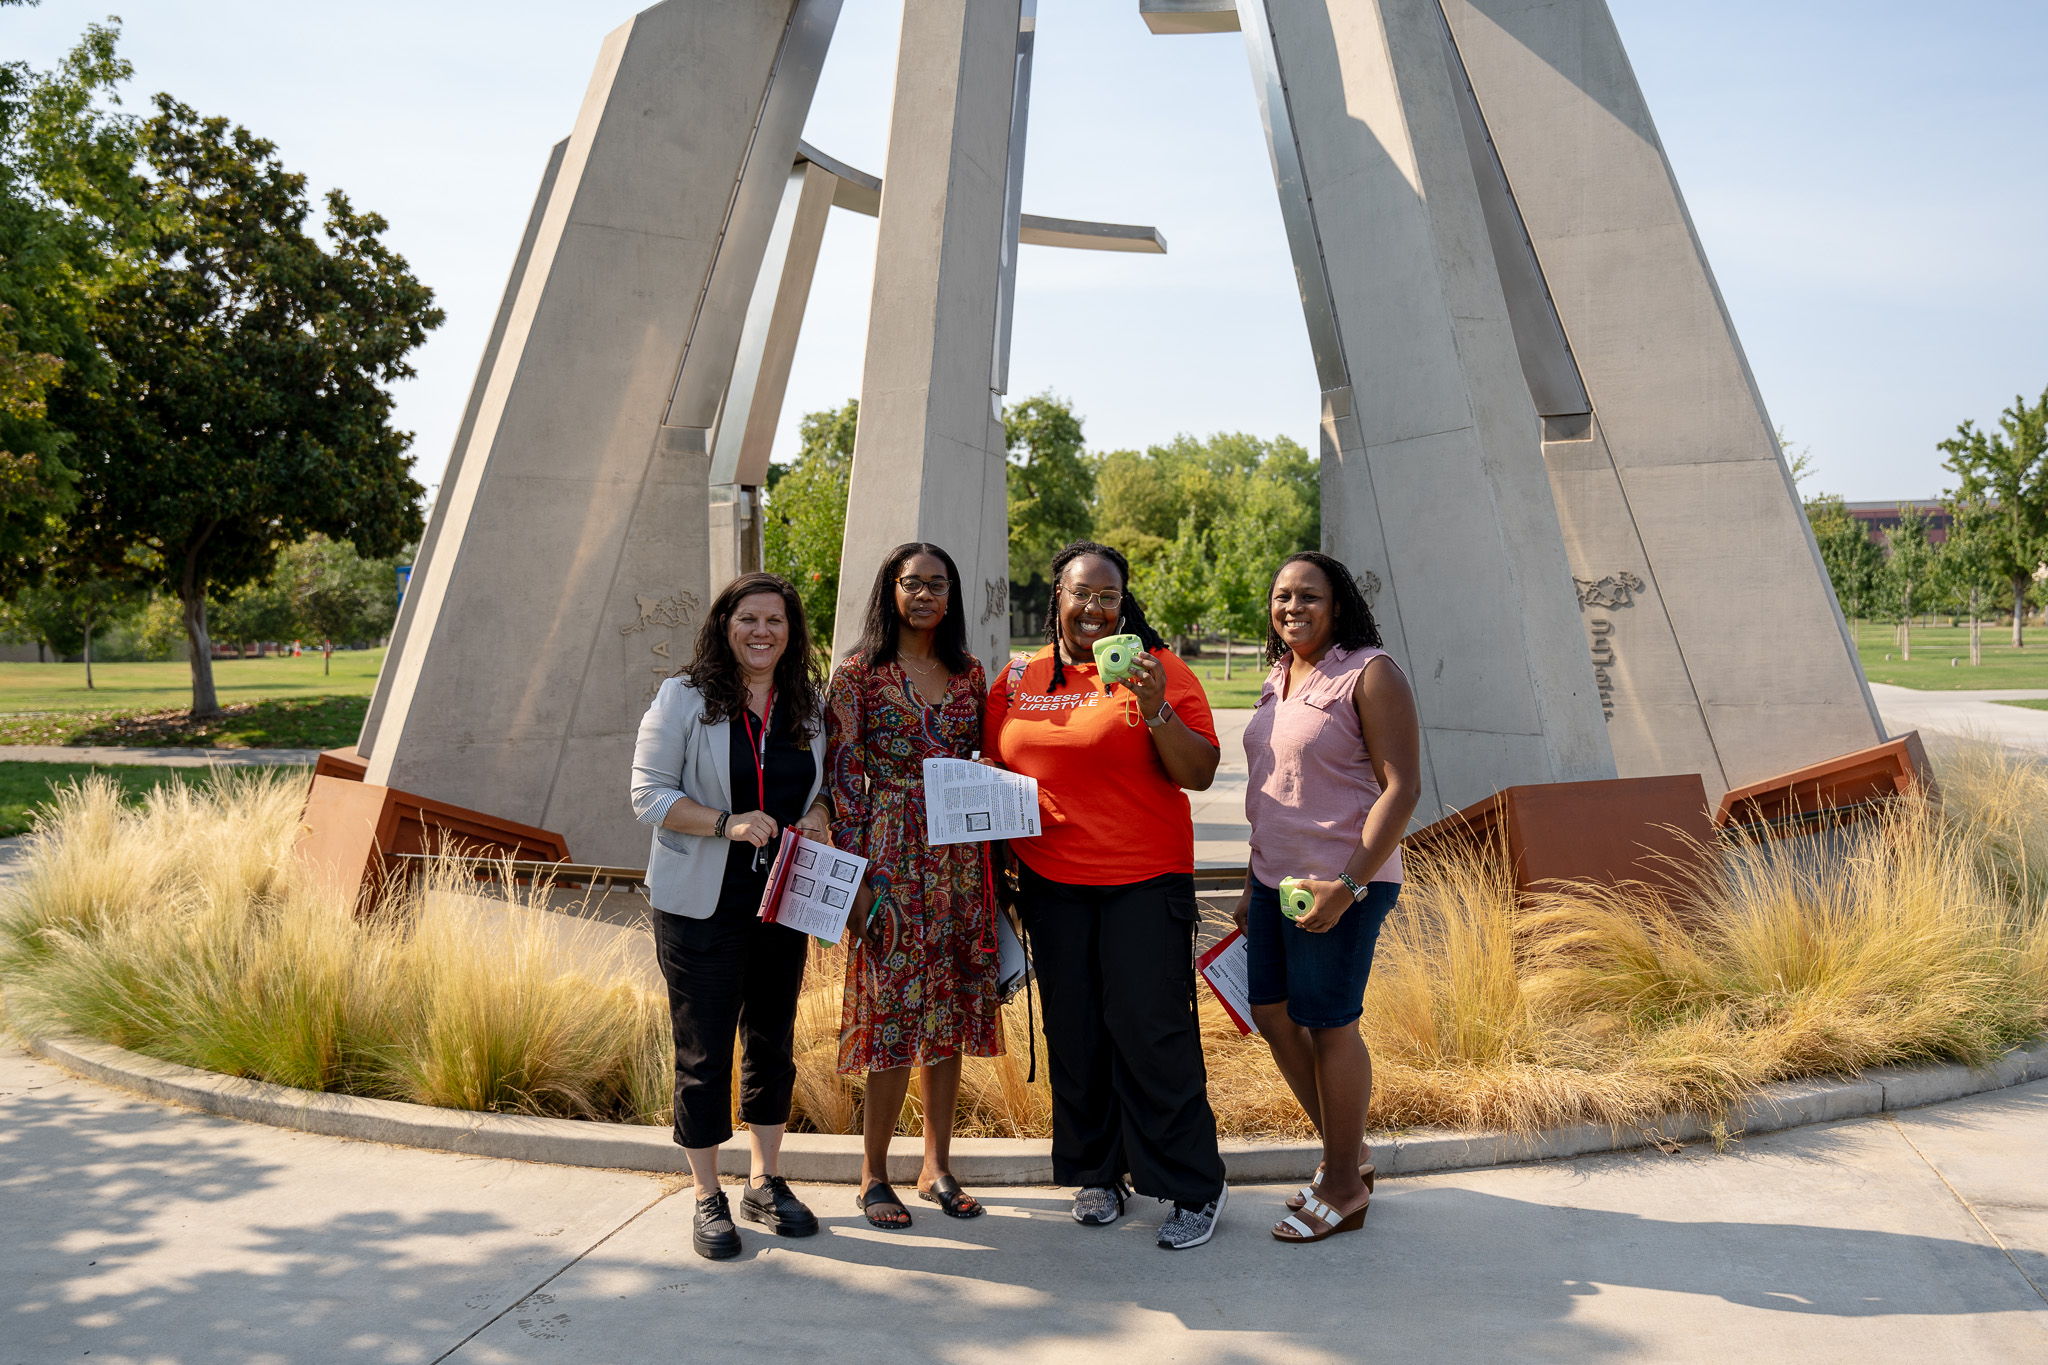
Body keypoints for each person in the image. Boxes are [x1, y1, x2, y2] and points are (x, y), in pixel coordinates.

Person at [982, 540, 1229, 1251]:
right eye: (1080, 592)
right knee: (1077, 1031)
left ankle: (1192, 1186)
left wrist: (1155, 708)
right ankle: (1097, 1173)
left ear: (1124, 603)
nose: (1093, 607)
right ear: (1057, 593)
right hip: (1051, 885)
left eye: (1107, 596)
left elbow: (1201, 771)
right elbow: (997, 770)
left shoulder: (1162, 670)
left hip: (1144, 883)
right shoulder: (1019, 676)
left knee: (1151, 1031)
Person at [630, 572, 834, 1261]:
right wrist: (725, 822)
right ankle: (706, 1194)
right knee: (706, 1050)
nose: (762, 632)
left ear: (790, 631)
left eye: (775, 620)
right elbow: (648, 795)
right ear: (726, 624)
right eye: (748, 618)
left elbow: (824, 787)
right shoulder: (684, 698)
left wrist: (817, 814)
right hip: (701, 904)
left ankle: (765, 1180)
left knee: (773, 1040)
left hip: (783, 898)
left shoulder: (807, 704)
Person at [1236, 551, 1420, 1244]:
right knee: (1273, 1014)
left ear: (1337, 603)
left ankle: (1343, 1182)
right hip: (1273, 884)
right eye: (1281, 596)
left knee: (1329, 1023)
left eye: (1308, 596)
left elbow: (1402, 788)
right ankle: (1350, 1153)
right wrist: (1252, 883)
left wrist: (1347, 885)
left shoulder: (1371, 673)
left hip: (1342, 882)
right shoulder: (1281, 675)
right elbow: (1276, 786)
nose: (1292, 607)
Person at [825, 542, 1003, 1230]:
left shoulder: (969, 674)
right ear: (890, 591)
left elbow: (987, 755)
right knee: (892, 1018)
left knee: (949, 1012)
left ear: (951, 597)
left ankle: (936, 1165)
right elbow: (842, 782)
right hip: (890, 861)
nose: (925, 594)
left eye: (937, 584)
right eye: (912, 583)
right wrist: (859, 881)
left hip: (959, 861)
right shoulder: (859, 676)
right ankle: (874, 1173)